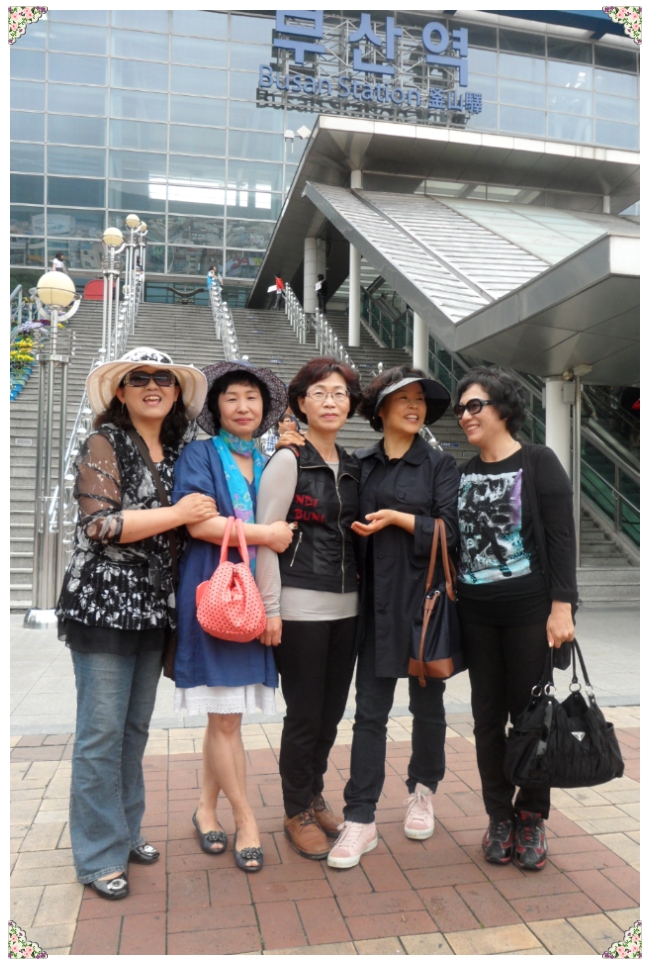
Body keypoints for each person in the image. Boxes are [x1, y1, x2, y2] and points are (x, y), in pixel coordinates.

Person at [55, 347, 214, 900]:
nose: (152, 386)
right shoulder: (105, 442)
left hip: (154, 607)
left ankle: (125, 831)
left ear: (176, 392)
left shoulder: (181, 451)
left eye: (163, 378)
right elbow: (99, 524)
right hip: (103, 604)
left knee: (133, 730)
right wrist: (178, 515)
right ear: (121, 392)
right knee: (100, 734)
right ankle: (99, 854)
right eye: (139, 378)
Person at [326, 365, 460, 870]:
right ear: (380, 409)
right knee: (370, 713)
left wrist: (400, 519)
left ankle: (423, 789)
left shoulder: (440, 465)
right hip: (373, 606)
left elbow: (452, 532)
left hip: (423, 604)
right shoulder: (359, 463)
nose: (414, 405)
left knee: (428, 705)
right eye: (403, 398)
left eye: (420, 399)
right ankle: (360, 817)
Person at [453, 366, 578, 872]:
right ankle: (499, 816)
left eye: (474, 405)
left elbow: (561, 537)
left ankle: (531, 814)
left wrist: (562, 605)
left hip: (530, 613)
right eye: (461, 408)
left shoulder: (538, 461)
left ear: (503, 408)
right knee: (486, 719)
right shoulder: (462, 473)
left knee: (532, 719)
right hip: (476, 615)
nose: (465, 416)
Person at [172, 360, 294, 872]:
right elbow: (198, 524)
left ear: (265, 407)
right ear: (216, 409)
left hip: (256, 595)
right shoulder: (200, 455)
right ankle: (246, 819)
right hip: (216, 591)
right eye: (231, 398)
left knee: (225, 716)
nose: (243, 407)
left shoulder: (269, 461)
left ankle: (205, 809)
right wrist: (267, 535)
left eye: (252, 398)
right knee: (225, 716)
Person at [256, 358, 362, 859]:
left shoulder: (354, 465)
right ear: (301, 403)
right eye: (319, 393)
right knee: (304, 715)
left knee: (331, 713)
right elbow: (267, 536)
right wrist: (270, 608)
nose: (330, 402)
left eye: (339, 393)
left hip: (348, 608)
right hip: (299, 607)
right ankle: (295, 808)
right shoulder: (288, 460)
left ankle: (314, 793)